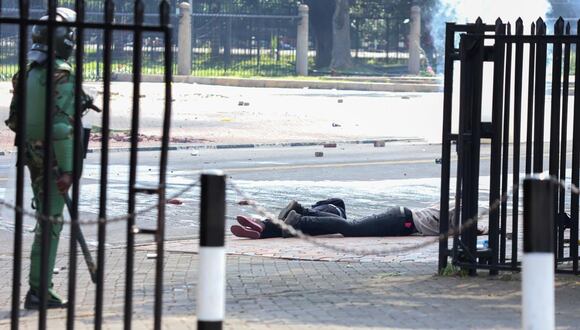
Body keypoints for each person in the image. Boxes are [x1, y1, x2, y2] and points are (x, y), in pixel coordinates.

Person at [6, 7, 95, 310]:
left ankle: (38, 287)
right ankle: (40, 291)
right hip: (55, 159)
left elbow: (16, 121)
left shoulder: (27, 72)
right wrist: (68, 170)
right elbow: (60, 127)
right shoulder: (62, 74)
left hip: (32, 155)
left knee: (45, 219)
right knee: (51, 223)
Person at [231, 199, 477, 239]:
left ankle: (267, 227)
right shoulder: (459, 213)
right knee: (350, 229)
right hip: (403, 221)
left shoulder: (449, 205)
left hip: (402, 216)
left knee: (338, 211)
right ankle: (299, 217)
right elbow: (468, 227)